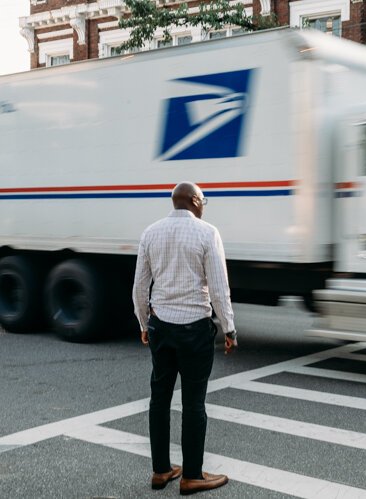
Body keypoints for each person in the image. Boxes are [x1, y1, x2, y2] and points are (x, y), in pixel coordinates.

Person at [133, 181, 238, 495]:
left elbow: (140, 286)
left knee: (160, 398)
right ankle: (192, 475)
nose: (204, 204)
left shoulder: (150, 232)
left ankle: (161, 470)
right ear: (194, 201)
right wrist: (230, 328)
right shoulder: (207, 233)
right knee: (194, 401)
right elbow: (219, 289)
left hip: (160, 327)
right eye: (203, 199)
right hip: (194, 329)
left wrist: (143, 323)